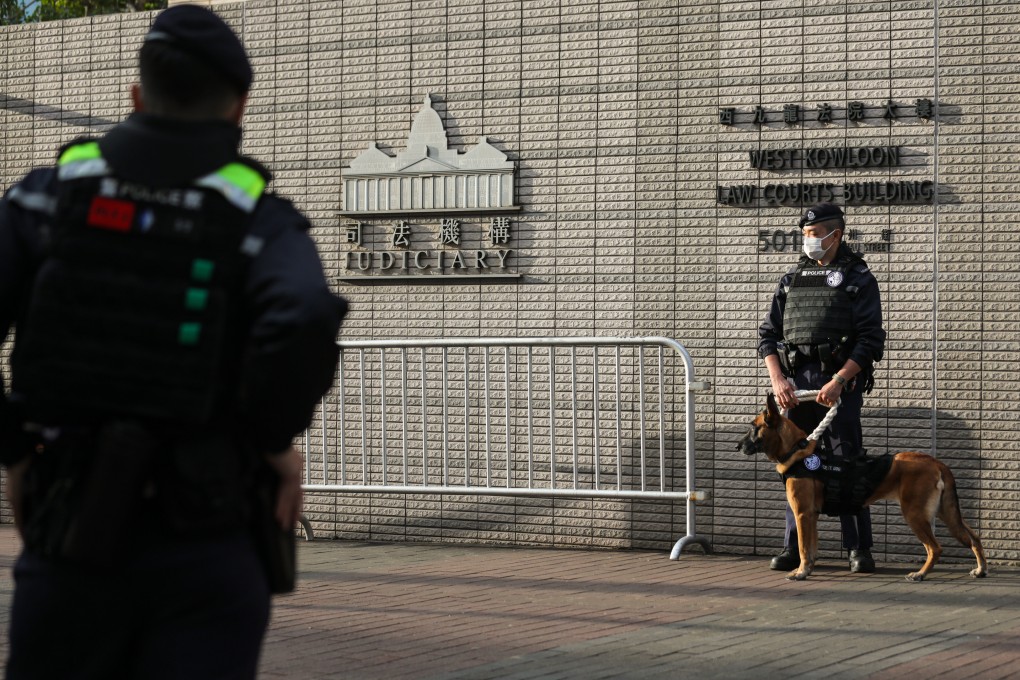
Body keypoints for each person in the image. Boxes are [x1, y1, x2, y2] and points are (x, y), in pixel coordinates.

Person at [0, 5, 347, 678]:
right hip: (208, 538)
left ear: (137, 96)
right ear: (238, 107)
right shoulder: (259, 221)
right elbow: (303, 314)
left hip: (69, 535)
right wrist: (275, 442)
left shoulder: (44, 201)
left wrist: (14, 450)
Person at [757, 202, 886, 574]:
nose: (808, 241)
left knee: (846, 464)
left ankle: (858, 548)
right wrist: (778, 380)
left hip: (838, 385)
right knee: (796, 465)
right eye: (805, 235)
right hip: (796, 387)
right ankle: (795, 549)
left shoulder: (858, 277)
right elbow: (768, 336)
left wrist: (840, 379)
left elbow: (870, 340)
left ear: (835, 234)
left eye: (814, 235)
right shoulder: (791, 280)